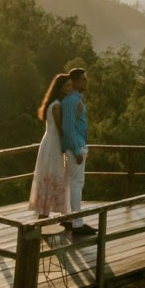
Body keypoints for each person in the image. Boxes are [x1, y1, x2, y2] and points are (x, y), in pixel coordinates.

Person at [29, 71, 71, 219]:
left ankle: (44, 210)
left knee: (47, 173)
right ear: (60, 88)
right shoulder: (57, 106)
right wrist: (68, 146)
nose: (69, 88)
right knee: (55, 173)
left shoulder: (51, 104)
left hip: (47, 141)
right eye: (67, 85)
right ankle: (52, 211)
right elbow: (60, 130)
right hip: (53, 143)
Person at [59, 66, 91, 235]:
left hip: (77, 145)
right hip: (75, 147)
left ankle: (70, 219)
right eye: (83, 79)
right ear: (76, 81)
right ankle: (77, 223)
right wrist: (77, 150)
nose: (86, 82)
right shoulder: (72, 100)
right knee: (77, 184)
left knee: (72, 184)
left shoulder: (75, 99)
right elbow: (68, 127)